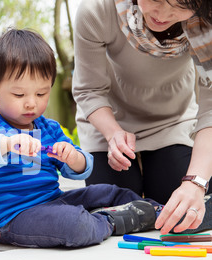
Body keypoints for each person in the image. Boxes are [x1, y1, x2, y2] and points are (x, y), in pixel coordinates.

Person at [0, 28, 164, 249]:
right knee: (74, 224)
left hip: (53, 201)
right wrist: (4, 145)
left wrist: (72, 157)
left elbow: (84, 167)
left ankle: (160, 212)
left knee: (108, 191)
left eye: (41, 94)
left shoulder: (48, 127)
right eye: (19, 95)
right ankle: (108, 221)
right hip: (13, 218)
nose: (31, 103)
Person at [72, 0, 212, 235]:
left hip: (171, 122)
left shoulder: (207, 21)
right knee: (115, 209)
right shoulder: (97, 9)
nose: (163, 14)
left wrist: (195, 183)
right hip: (106, 123)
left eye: (180, 5)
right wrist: (113, 133)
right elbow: (89, 91)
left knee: (180, 210)